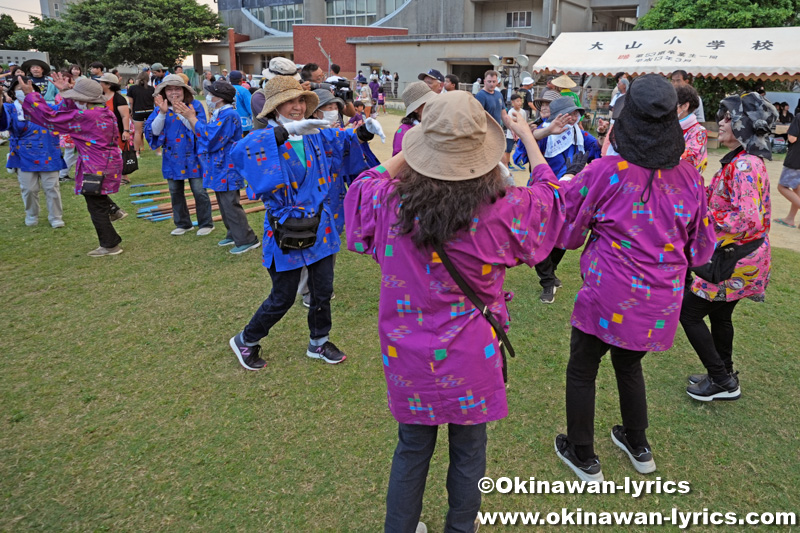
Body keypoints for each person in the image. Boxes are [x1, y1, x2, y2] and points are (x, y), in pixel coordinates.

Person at [344, 90, 565, 533]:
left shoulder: (388, 204)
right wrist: (528, 138)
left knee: (412, 447)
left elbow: (360, 187)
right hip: (473, 354)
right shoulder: (506, 209)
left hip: (405, 354)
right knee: (469, 448)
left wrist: (417, 152)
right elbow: (552, 198)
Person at [553, 74, 715, 482]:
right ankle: (638, 444)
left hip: (606, 296)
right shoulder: (691, 179)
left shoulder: (605, 172)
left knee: (582, 368)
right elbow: (701, 251)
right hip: (659, 303)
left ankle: (583, 452)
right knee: (628, 366)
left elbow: (569, 235)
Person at [227, 75, 347, 369]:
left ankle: (318, 342)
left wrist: (364, 134)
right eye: (289, 102)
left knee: (322, 289)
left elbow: (340, 142)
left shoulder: (313, 132)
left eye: (300, 101)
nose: (297, 107)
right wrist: (283, 133)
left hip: (320, 224)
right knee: (283, 296)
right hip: (285, 227)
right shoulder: (260, 139)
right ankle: (245, 339)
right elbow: (239, 154)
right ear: (274, 108)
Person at [680, 93, 777, 401]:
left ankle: (722, 380)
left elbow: (746, 218)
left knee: (689, 313)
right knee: (720, 316)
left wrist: (706, 217)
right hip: (743, 257)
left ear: (741, 125)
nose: (720, 123)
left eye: (726, 118)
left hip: (736, 258)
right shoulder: (740, 160)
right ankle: (723, 373)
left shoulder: (744, 165)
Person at [20, 74, 125, 256]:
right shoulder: (104, 112)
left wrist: (31, 96)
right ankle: (114, 211)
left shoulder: (84, 116)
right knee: (96, 198)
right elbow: (67, 113)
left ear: (83, 100)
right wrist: (66, 91)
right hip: (108, 162)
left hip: (95, 166)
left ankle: (110, 245)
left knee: (95, 205)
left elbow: (51, 117)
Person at [174, 80, 259, 253]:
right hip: (219, 166)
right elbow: (205, 131)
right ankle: (233, 233)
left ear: (219, 98)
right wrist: (188, 118)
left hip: (227, 166)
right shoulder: (219, 113)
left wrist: (191, 118)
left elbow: (210, 137)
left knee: (230, 203)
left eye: (211, 94)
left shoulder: (229, 115)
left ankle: (247, 238)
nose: (209, 96)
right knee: (222, 201)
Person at [144, 74, 214, 237]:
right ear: (164, 92)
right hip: (172, 155)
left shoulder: (195, 105)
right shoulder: (160, 108)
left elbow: (200, 131)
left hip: (193, 155)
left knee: (199, 190)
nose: (173, 92)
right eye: (169, 89)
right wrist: (162, 113)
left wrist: (183, 113)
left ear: (184, 90)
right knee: (175, 191)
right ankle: (183, 223)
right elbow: (153, 132)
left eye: (177, 89)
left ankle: (206, 223)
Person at [1, 80, 66, 228]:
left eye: (27, 88)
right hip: (23, 154)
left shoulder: (46, 108)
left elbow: (64, 112)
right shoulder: (10, 108)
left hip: (48, 152)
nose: (23, 91)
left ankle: (56, 217)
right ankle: (31, 214)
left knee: (52, 187)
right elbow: (2, 123)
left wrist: (65, 92)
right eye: (19, 88)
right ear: (12, 92)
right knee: (29, 189)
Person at [97, 73, 132, 184]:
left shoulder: (119, 99)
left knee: (119, 153)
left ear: (108, 85)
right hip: (102, 132)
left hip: (117, 131)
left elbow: (125, 116)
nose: (99, 83)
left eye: (101, 82)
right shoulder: (99, 97)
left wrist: (126, 131)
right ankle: (109, 175)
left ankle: (124, 176)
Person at [475, 70, 510, 166]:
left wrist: (512, 129)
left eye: (494, 81)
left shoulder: (499, 94)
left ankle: (506, 178)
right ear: (484, 81)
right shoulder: (480, 95)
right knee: (489, 160)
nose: (492, 84)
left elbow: (504, 114)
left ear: (497, 82)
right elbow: (478, 117)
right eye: (489, 81)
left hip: (498, 131)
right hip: (487, 133)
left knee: (502, 159)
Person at [392, 81, 436, 157]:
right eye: (429, 102)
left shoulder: (436, 123)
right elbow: (398, 160)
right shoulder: (404, 132)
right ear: (416, 108)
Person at [676, 85, 708, 175]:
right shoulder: (669, 126)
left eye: (673, 104)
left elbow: (689, 158)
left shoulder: (699, 131)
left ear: (685, 106)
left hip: (686, 182)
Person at [776, 111, 800, 227]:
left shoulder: (799, 117)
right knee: (797, 189)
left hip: (796, 158)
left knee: (782, 187)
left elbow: (792, 138)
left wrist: (789, 131)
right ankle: (790, 218)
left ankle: (790, 219)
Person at [127, 71, 155, 157]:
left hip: (138, 112)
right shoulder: (152, 89)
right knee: (153, 131)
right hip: (150, 111)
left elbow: (131, 102)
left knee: (138, 132)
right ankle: (157, 151)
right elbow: (155, 101)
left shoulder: (132, 88)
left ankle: (137, 152)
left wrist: (131, 112)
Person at [506, 93, 527, 171]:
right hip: (511, 134)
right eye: (517, 101)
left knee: (520, 148)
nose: (519, 103)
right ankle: (508, 163)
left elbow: (524, 121)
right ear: (512, 102)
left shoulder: (523, 112)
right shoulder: (510, 111)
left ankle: (519, 161)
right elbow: (510, 121)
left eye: (520, 101)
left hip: (520, 134)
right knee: (508, 149)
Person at [228, 70, 253, 136]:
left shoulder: (226, 89)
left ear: (229, 79)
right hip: (243, 124)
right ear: (241, 79)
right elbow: (250, 107)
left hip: (228, 123)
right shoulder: (244, 91)